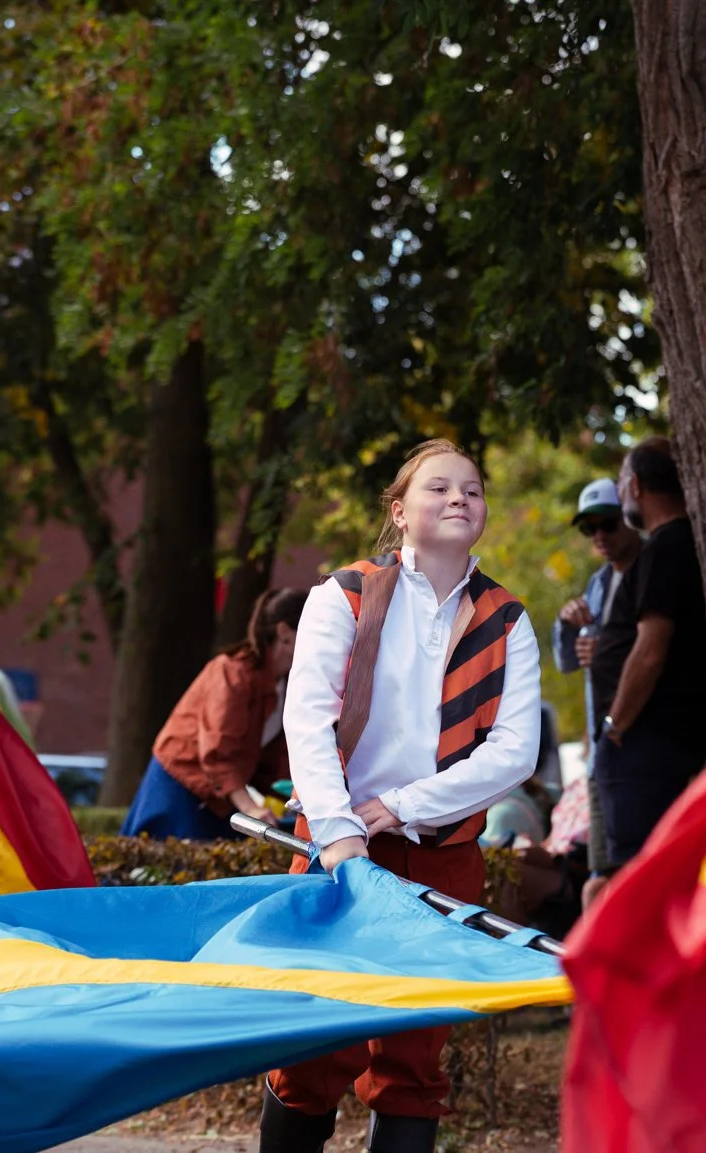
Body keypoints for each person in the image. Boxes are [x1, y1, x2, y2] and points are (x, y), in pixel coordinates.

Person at [259, 439, 541, 1153]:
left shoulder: (508, 620)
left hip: (440, 852)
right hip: (336, 847)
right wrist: (339, 829)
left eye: (472, 489)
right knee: (313, 1043)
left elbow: (515, 752)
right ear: (399, 509)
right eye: (438, 487)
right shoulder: (344, 594)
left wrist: (405, 805)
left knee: (415, 1055)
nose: (458, 498)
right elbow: (308, 720)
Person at [585, 437, 706, 902]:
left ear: (635, 486)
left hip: (648, 747)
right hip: (656, 745)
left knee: (638, 883)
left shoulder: (665, 547)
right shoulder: (673, 545)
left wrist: (616, 724)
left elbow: (651, 648)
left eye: (621, 484)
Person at [121, 589, 304, 840]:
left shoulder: (285, 684)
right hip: (182, 789)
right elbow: (218, 751)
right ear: (284, 632)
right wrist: (250, 808)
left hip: (222, 793)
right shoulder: (232, 672)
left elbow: (272, 765)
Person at [549, 476, 643, 907]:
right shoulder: (599, 584)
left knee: (628, 874)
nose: (600, 536)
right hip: (605, 750)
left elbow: (656, 654)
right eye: (589, 528)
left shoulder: (650, 569)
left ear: (628, 516)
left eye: (607, 523)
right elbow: (570, 662)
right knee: (603, 876)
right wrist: (567, 626)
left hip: (644, 747)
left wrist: (607, 649)